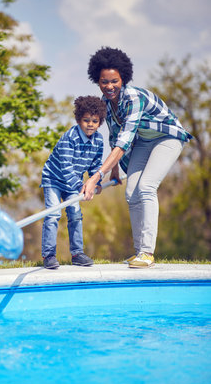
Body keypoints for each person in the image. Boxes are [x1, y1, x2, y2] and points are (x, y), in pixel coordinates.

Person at [82, 47, 193, 268]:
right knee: (132, 192)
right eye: (104, 82)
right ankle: (139, 252)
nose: (110, 86)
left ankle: (147, 253)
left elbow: (124, 142)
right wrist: (114, 170)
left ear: (123, 78)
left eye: (114, 81)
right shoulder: (105, 104)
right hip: (145, 140)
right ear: (97, 81)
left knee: (146, 187)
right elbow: (114, 135)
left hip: (168, 137)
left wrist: (96, 177)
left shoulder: (133, 98)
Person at [41, 95, 107, 269]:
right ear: (78, 119)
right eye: (86, 120)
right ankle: (48, 256)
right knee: (53, 215)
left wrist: (95, 181)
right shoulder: (70, 138)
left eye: (95, 121)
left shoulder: (99, 141)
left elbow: (95, 164)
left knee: (76, 215)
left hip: (73, 182)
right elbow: (66, 167)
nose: (90, 124)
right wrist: (81, 187)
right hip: (54, 180)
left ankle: (77, 253)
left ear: (100, 122)